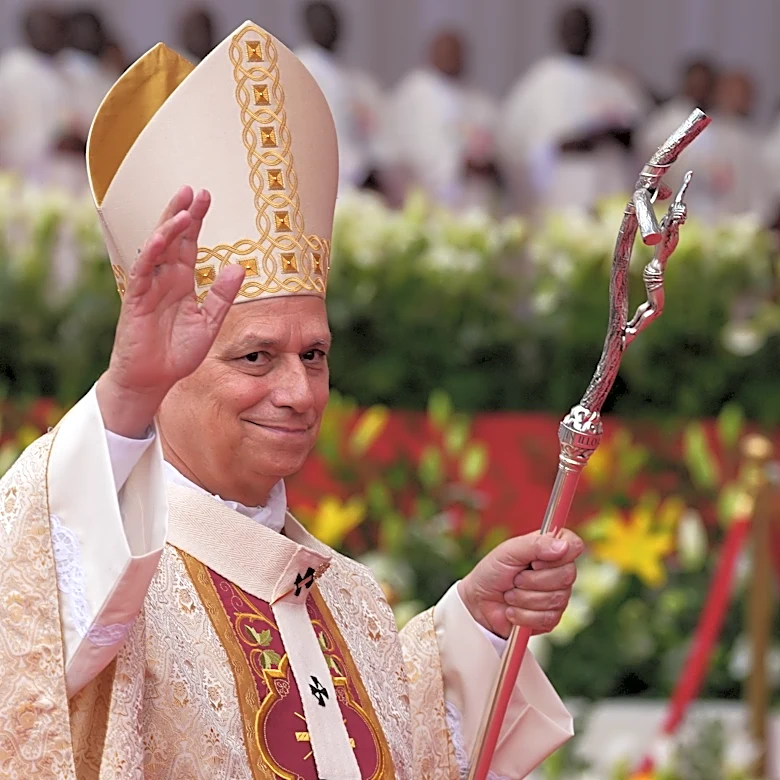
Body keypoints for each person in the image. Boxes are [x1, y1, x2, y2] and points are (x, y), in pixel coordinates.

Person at [0, 21, 582, 778]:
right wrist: (127, 392)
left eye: (314, 354)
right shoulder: (110, 585)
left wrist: (478, 628)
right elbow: (25, 630)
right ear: (167, 367)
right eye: (255, 357)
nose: (299, 391)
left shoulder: (350, 600)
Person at [498, 5, 647, 217]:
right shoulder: (539, 82)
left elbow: (640, 140)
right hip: (562, 191)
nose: (578, 35)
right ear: (559, 32)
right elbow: (513, 146)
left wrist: (613, 136)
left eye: (583, 29)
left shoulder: (615, 81)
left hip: (609, 187)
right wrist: (564, 145)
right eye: (572, 28)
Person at [380, 30, 501, 211]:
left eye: (457, 52)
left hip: (473, 204)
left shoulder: (478, 100)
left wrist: (489, 165)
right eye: (446, 51)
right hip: (427, 203)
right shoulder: (416, 91)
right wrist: (460, 166)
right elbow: (413, 150)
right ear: (431, 54)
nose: (452, 57)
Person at [295, 1, 383, 191]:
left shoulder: (342, 72)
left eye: (334, 23)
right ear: (310, 26)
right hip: (324, 174)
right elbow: (322, 130)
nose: (331, 29)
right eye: (323, 22)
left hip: (353, 175)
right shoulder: (304, 67)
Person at [0, 6, 77, 182]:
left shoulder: (68, 70)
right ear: (29, 32)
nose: (58, 36)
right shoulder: (10, 70)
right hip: (21, 175)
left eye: (60, 29)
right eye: (49, 29)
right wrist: (48, 142)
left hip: (65, 174)